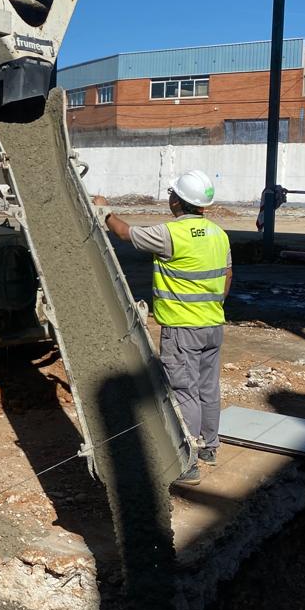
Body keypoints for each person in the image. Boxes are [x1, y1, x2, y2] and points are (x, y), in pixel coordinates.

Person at [92, 169, 232, 487]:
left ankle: (187, 463)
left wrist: (105, 210)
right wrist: (210, 304)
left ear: (176, 201)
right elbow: (227, 277)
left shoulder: (171, 234)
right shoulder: (218, 234)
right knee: (208, 388)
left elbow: (126, 234)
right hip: (212, 323)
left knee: (184, 392)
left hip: (183, 328)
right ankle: (209, 448)